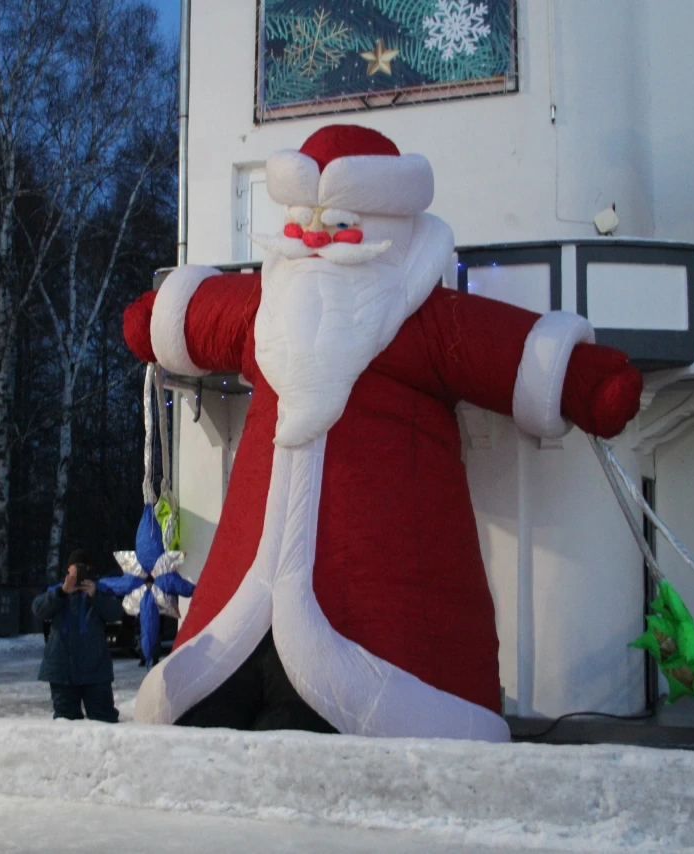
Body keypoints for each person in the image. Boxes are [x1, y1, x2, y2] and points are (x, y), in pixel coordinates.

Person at [121, 124, 644, 742]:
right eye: (304, 220)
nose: (315, 236)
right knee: (204, 703)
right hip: (240, 598)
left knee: (354, 701)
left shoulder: (420, 317)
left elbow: (502, 349)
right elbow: (191, 316)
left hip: (384, 610)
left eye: (338, 222)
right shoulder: (268, 303)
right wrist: (163, 319)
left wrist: (582, 379)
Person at [32, 550, 122, 722]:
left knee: (104, 721)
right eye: (75, 569)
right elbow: (37, 610)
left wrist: (95, 596)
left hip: (95, 670)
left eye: (83, 569)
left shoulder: (101, 590)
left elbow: (116, 613)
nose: (79, 574)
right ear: (68, 571)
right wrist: (62, 592)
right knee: (66, 723)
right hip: (62, 670)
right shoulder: (57, 591)